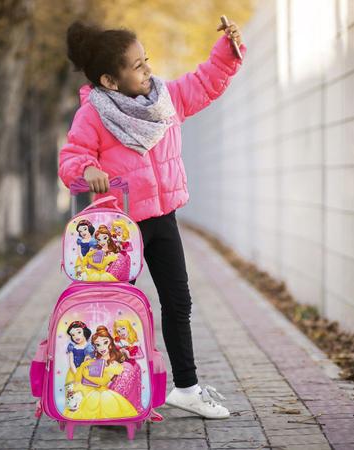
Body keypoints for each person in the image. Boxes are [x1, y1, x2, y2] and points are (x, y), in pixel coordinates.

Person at [58, 18, 246, 419]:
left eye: (147, 60)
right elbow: (72, 157)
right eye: (138, 66)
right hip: (119, 232)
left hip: (163, 220)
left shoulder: (164, 98)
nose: (148, 70)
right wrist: (86, 169)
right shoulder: (94, 114)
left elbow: (203, 83)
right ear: (110, 80)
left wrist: (226, 52)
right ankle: (110, 397)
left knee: (178, 302)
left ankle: (187, 388)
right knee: (113, 314)